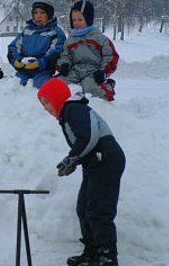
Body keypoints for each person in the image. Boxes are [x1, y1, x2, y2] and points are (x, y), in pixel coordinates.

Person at [37, 78, 125, 266]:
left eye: (47, 101)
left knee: (98, 210)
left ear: (58, 96)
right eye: (43, 103)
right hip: (95, 161)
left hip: (106, 158)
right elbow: (85, 142)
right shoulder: (69, 113)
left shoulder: (73, 109)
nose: (45, 107)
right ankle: (92, 251)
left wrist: (72, 158)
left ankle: (106, 256)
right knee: (84, 208)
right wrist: (75, 162)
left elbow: (88, 137)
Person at [56, 0, 119, 101]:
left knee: (89, 88)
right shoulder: (70, 40)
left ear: (88, 19)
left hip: (92, 71)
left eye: (80, 19)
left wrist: (103, 72)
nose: (76, 23)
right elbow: (65, 56)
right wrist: (64, 65)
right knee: (59, 84)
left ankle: (108, 87)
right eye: (74, 20)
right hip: (75, 71)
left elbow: (110, 56)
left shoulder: (100, 39)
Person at [7, 0, 66, 88]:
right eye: (35, 13)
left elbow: (55, 52)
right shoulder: (26, 31)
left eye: (42, 13)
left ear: (49, 14)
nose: (38, 16)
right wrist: (16, 60)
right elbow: (14, 47)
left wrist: (40, 63)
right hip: (24, 68)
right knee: (15, 86)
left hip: (43, 71)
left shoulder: (56, 32)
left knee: (42, 87)